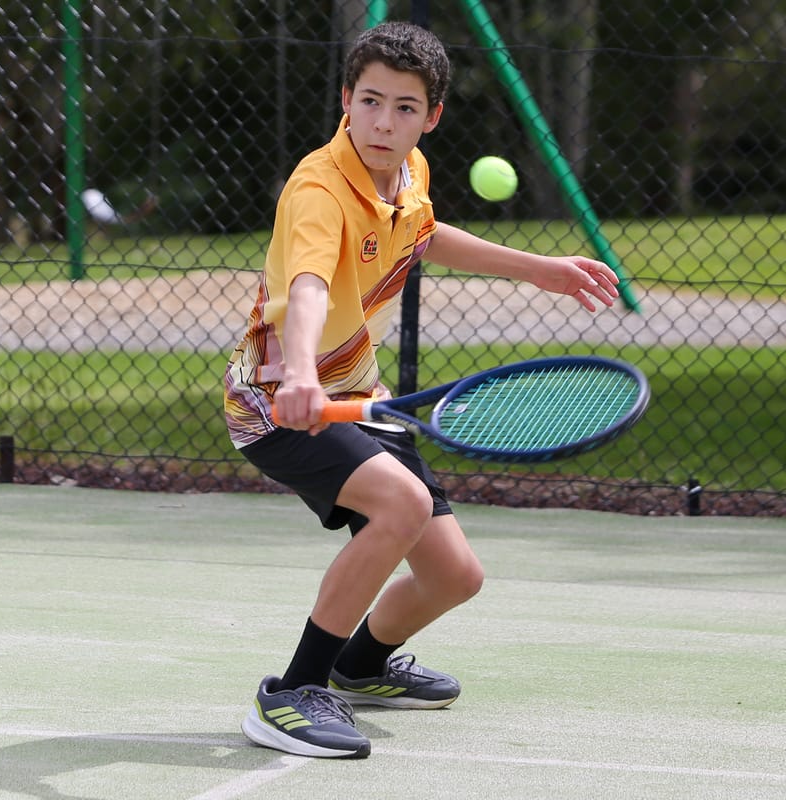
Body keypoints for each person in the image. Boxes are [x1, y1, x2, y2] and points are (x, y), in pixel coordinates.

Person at [223, 21, 620, 760]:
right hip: (278, 401)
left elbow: (424, 234)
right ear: (346, 100)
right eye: (370, 101)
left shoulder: (410, 172)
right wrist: (302, 373)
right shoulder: (318, 189)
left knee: (455, 577)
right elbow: (307, 286)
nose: (384, 122)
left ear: (430, 116)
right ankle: (291, 694)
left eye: (404, 107)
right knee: (400, 506)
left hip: (357, 393)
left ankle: (360, 665)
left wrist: (539, 269)